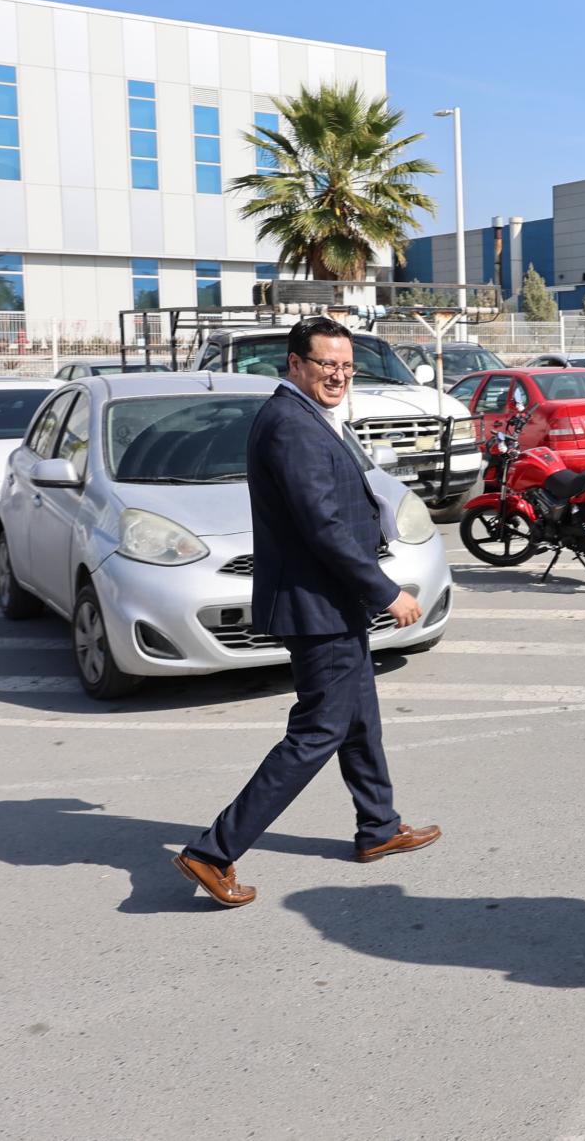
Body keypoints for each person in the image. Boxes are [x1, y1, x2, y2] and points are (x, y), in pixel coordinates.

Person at [177, 317, 439, 908]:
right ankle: (212, 852)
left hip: (328, 602)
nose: (339, 377)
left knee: (359, 717)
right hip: (317, 605)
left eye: (347, 367)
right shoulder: (290, 425)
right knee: (318, 731)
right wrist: (385, 590)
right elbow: (322, 526)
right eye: (327, 365)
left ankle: (379, 826)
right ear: (295, 364)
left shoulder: (305, 417)